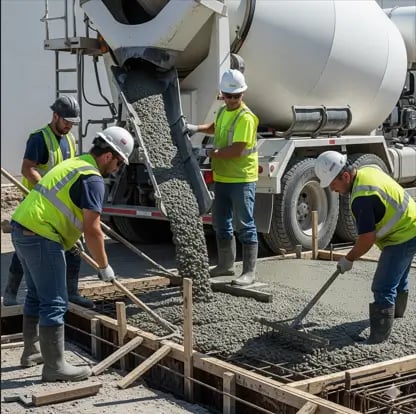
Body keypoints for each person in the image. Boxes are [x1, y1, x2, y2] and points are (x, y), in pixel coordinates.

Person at [11, 126, 134, 381]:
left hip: (23, 228)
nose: (118, 168)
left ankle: (32, 352)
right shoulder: (92, 178)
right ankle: (55, 367)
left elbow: (66, 207)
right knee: (55, 300)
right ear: (109, 155)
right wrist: (103, 266)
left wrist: (71, 237)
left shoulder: (76, 163)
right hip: (42, 235)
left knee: (36, 294)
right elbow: (93, 229)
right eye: (119, 161)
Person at [314, 151, 416, 344]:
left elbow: (367, 239)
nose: (333, 190)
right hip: (410, 223)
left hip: (404, 234)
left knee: (383, 285)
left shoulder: (362, 196)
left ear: (345, 176)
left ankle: (378, 339)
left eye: (333, 184)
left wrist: (349, 258)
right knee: (398, 277)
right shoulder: (366, 171)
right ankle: (396, 317)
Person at [3, 95, 94, 309]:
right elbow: (27, 168)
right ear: (55, 116)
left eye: (73, 123)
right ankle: (10, 292)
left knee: (73, 245)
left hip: (62, 205)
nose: (69, 126)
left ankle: (71, 292)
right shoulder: (39, 138)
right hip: (39, 204)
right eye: (66, 121)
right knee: (25, 250)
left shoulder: (70, 140)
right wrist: (46, 191)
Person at [187, 69, 259, 286]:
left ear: (242, 94)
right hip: (223, 178)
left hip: (242, 178)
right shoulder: (223, 111)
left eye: (236, 96)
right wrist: (196, 128)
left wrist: (208, 153)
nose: (232, 100)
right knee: (221, 223)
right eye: (228, 96)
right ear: (223, 94)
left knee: (245, 224)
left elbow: (236, 150)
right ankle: (226, 265)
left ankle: (249, 272)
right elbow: (216, 128)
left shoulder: (246, 117)